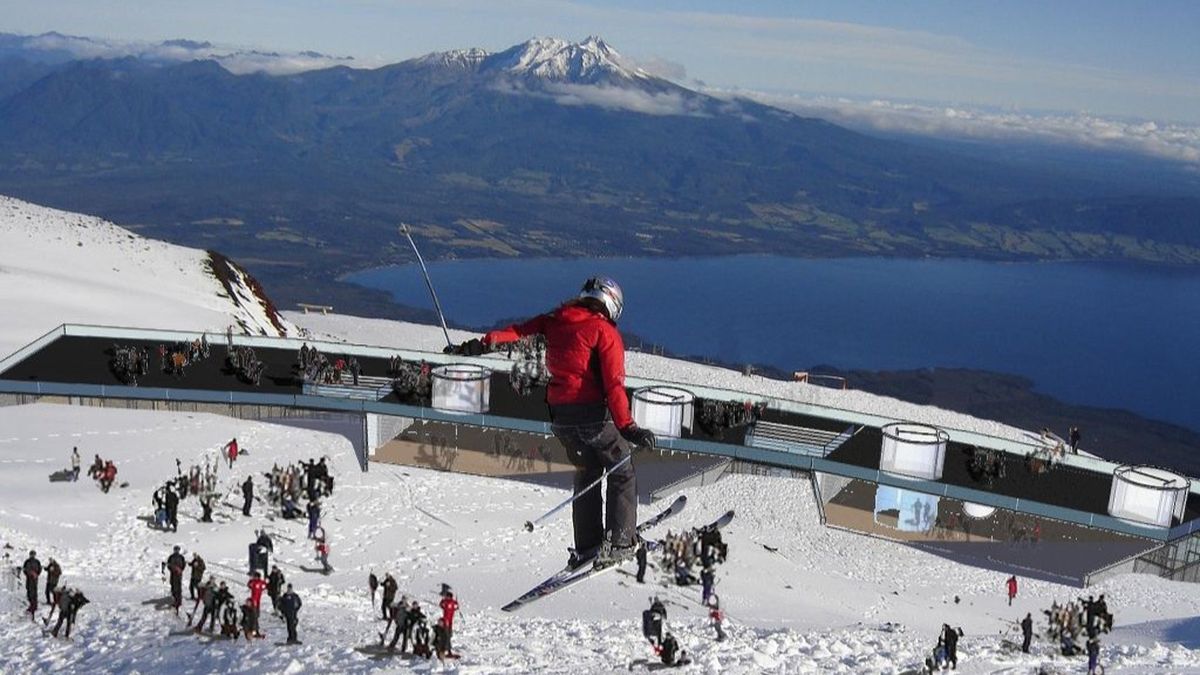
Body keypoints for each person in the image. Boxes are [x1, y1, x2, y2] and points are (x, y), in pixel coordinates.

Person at [456, 276, 654, 566]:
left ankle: (587, 546)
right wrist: (629, 428)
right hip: (593, 419)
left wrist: (477, 345)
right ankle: (620, 541)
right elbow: (614, 385)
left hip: (562, 418)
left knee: (587, 473)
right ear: (610, 303)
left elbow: (516, 333)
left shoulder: (555, 319)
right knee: (621, 470)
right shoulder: (603, 331)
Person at [164, 545, 186, 613]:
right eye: (175, 549)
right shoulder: (171, 557)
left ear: (179, 550)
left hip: (179, 575)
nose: (176, 551)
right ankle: (174, 600)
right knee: (173, 586)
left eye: (177, 550)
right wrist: (172, 569)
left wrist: (180, 570)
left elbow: (184, 565)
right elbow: (168, 565)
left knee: (178, 587)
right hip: (173, 574)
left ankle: (179, 601)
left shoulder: (181, 557)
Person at [23, 550, 42, 616]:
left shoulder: (37, 562)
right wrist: (29, 574)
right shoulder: (27, 561)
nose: (32, 555)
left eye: (33, 554)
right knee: (29, 592)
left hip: (35, 579)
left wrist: (36, 574)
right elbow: (24, 569)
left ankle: (34, 606)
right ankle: (31, 605)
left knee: (34, 592)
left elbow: (40, 569)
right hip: (29, 579)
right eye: (31, 554)